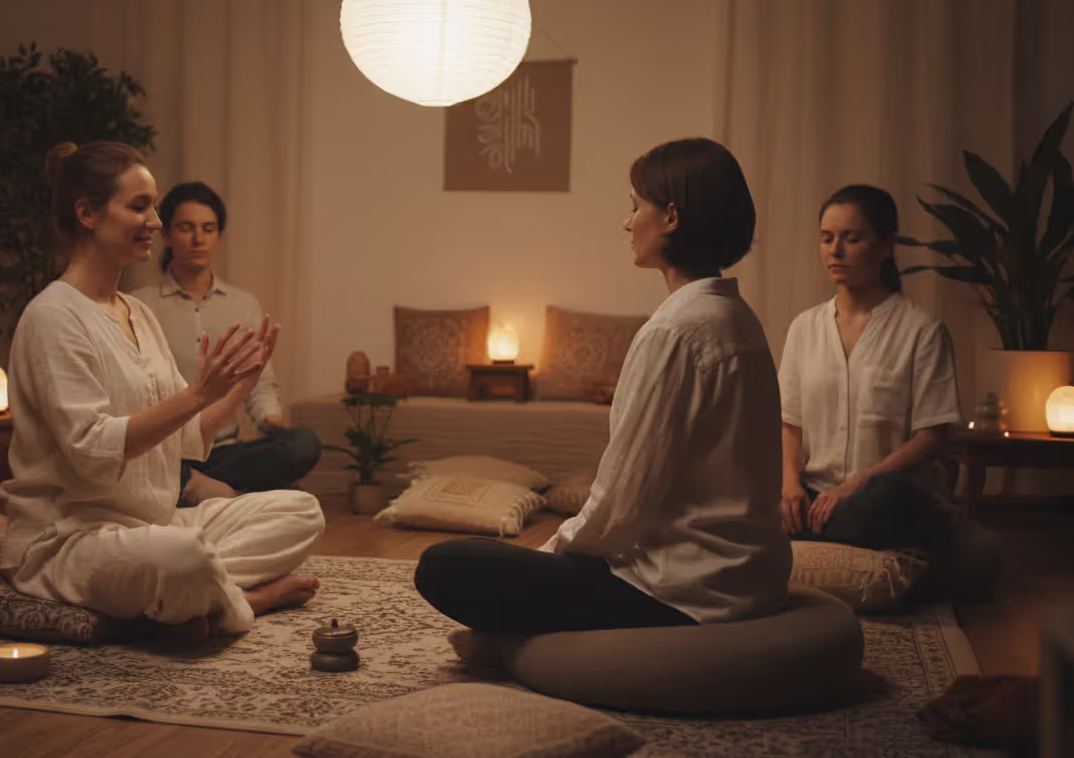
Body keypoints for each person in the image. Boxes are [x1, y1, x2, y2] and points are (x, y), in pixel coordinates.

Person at [414, 138, 791, 645]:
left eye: (636, 206)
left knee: (445, 565)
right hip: (751, 579)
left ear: (671, 216)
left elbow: (623, 501)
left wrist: (547, 555)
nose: (627, 222)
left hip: (682, 593)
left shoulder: (674, 331)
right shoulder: (737, 318)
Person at [0, 141, 325, 639]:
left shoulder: (137, 312)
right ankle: (241, 602)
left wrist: (239, 389)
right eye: (139, 206)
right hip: (72, 538)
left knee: (301, 512)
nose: (155, 221)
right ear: (86, 213)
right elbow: (90, 451)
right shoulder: (52, 317)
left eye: (153, 206)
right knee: (181, 557)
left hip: (157, 523)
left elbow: (185, 436)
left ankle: (192, 600)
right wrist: (198, 393)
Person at [779, 184, 961, 551]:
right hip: (817, 490)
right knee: (744, 489)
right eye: (827, 238)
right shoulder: (805, 327)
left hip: (884, 494)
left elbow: (930, 436)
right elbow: (791, 421)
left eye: (851, 238)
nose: (836, 250)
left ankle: (806, 538)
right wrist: (789, 484)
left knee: (884, 499)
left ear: (886, 244)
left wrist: (856, 485)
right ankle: (810, 528)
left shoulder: (922, 330)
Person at [130, 181, 321, 498]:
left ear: (218, 234)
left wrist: (270, 421)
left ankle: (210, 491)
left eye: (208, 228)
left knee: (302, 444)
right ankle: (227, 493)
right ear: (165, 235)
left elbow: (259, 382)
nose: (198, 238)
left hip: (224, 454)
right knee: (284, 493)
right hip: (166, 453)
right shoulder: (139, 306)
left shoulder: (242, 305)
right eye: (186, 228)